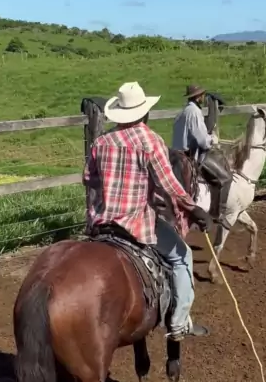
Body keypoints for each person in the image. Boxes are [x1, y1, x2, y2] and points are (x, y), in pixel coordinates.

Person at [83, 81, 212, 342]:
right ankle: (179, 324)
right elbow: (169, 185)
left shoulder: (102, 142)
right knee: (182, 257)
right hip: (136, 223)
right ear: (144, 112)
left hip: (102, 222)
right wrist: (194, 208)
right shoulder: (150, 141)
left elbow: (89, 178)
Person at [171, 85, 233, 222]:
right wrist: (212, 140)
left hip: (177, 155)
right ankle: (217, 215)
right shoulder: (195, 112)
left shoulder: (183, 112)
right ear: (199, 96)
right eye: (202, 95)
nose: (204, 97)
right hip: (190, 157)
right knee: (225, 179)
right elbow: (203, 141)